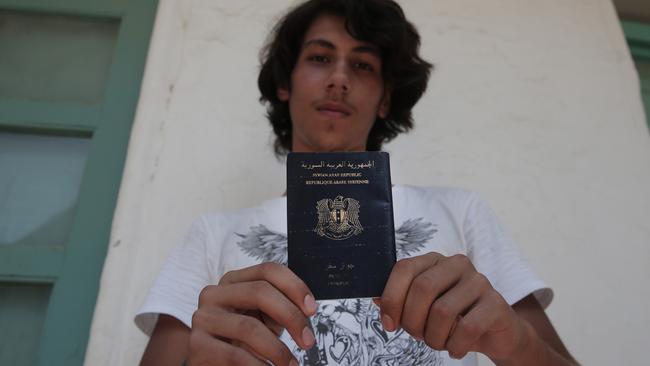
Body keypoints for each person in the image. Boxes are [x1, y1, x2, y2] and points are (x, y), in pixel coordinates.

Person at [136, 1, 579, 365]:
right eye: (320, 57)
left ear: (385, 97)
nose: (339, 79)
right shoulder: (213, 234)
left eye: (363, 65)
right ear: (285, 84)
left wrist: (513, 343)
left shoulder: (462, 212)